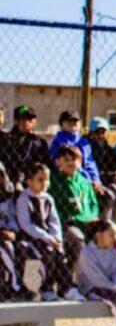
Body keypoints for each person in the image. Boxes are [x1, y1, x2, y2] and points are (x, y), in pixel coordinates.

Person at [15, 163, 82, 302]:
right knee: (48, 252)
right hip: (32, 238)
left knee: (59, 252)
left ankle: (67, 288)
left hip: (49, 238)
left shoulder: (48, 198)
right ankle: (47, 288)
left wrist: (56, 237)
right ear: (29, 181)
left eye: (47, 179)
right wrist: (46, 237)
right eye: (40, 180)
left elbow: (54, 220)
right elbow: (26, 224)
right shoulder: (24, 199)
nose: (45, 183)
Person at [48, 110, 115, 220]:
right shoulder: (58, 142)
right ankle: (80, 221)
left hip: (88, 180)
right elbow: (67, 166)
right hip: (69, 180)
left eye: (75, 121)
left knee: (108, 196)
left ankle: (103, 224)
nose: (73, 123)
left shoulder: (83, 141)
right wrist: (88, 181)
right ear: (61, 124)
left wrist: (96, 180)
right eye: (69, 121)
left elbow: (90, 163)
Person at [48, 144, 96, 268]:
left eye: (74, 159)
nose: (70, 163)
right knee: (78, 239)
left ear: (80, 162)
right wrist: (67, 218)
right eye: (66, 160)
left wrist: (91, 217)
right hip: (66, 224)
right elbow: (51, 207)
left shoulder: (84, 181)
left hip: (88, 222)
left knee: (110, 236)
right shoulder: (53, 181)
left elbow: (93, 204)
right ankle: (72, 273)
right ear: (58, 162)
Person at [0, 162, 32, 301]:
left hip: (6, 232)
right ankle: (15, 285)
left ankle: (11, 284)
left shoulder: (7, 195)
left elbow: (11, 216)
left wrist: (13, 231)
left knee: (22, 246)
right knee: (5, 247)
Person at [6, 105, 50, 187]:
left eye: (31, 119)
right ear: (16, 121)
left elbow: (45, 163)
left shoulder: (39, 142)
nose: (28, 122)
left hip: (34, 183)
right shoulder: (8, 140)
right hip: (11, 182)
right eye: (24, 119)